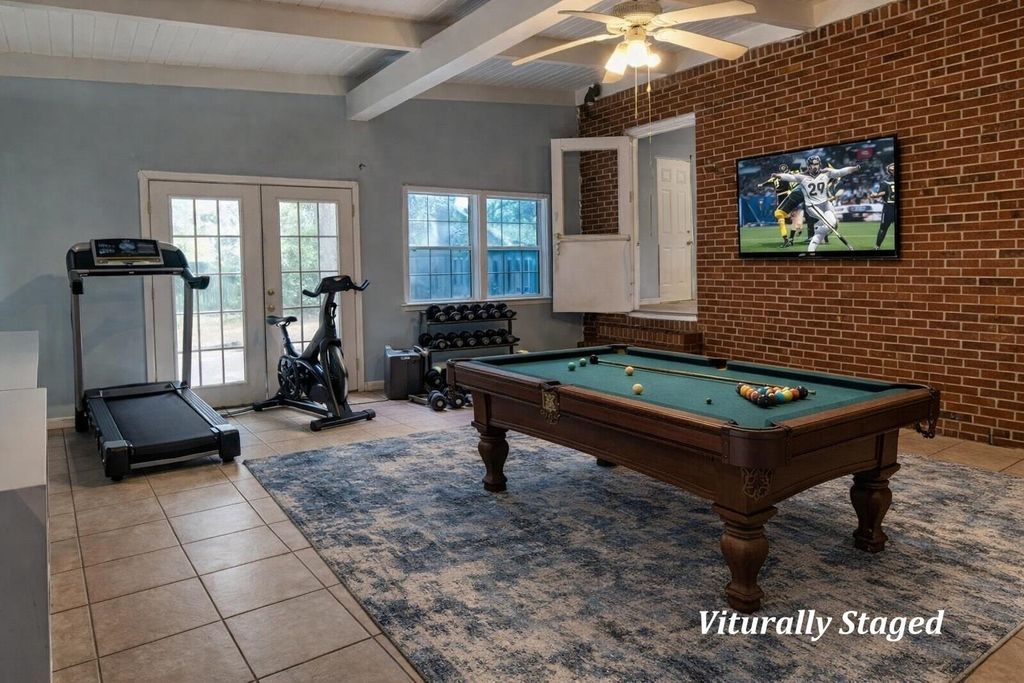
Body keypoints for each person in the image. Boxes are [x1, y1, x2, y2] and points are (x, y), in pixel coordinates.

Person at [774, 155, 860, 253]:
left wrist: (855, 168)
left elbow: (840, 172)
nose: (815, 166)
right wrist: (778, 175)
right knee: (828, 224)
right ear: (808, 166)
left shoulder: (826, 173)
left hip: (825, 204)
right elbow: (790, 177)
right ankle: (845, 245)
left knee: (832, 223)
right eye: (812, 164)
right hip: (812, 206)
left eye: (816, 164)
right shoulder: (802, 176)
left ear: (819, 164)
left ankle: (812, 247)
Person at [757, 163, 798, 247]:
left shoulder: (775, 177)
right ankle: (789, 239)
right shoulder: (788, 175)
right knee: (790, 217)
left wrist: (760, 185)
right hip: (787, 196)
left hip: (783, 196)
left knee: (781, 216)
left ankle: (787, 239)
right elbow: (796, 174)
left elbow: (766, 183)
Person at [868, 163, 897, 250]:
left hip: (888, 208)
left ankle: (877, 247)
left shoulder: (885, 182)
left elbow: (880, 194)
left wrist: (873, 195)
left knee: (883, 228)